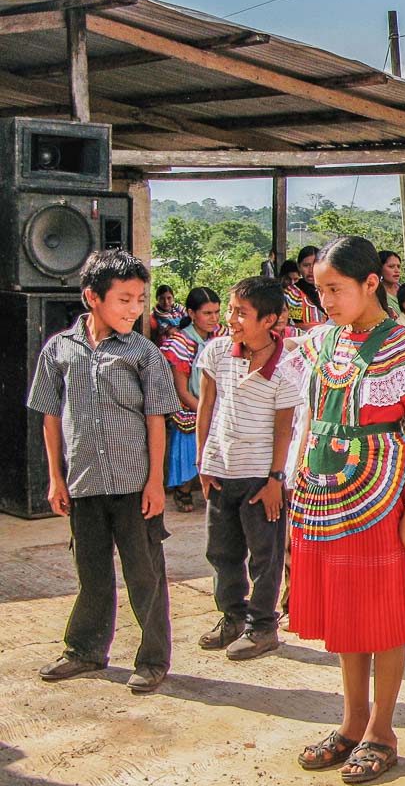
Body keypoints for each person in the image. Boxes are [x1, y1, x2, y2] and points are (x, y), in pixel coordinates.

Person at [287, 236, 405, 785]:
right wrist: (296, 483)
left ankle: (382, 730)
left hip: (383, 498)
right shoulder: (320, 342)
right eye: (320, 290)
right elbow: (310, 419)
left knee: (381, 617)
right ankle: (351, 722)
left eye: (336, 289)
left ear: (371, 284)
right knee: (345, 614)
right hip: (327, 493)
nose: (327, 300)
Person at [28, 250, 180, 692]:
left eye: (140, 299)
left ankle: (153, 659)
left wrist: (155, 483)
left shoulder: (144, 353)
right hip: (84, 484)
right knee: (91, 572)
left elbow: (157, 419)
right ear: (92, 297)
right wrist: (57, 478)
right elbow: (50, 415)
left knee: (144, 574)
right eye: (125, 299)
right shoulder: (60, 348)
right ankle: (85, 650)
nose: (135, 309)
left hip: (135, 487)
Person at [194, 276, 300, 661]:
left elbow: (284, 428)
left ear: (269, 319)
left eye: (242, 312)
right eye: (231, 309)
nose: (231, 318)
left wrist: (275, 480)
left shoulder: (287, 366)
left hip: (260, 478)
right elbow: (206, 407)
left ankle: (262, 626)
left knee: (265, 556)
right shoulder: (217, 352)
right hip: (221, 470)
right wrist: (202, 461)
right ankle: (232, 617)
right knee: (221, 551)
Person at [161, 287, 222, 512]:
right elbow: (182, 390)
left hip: (217, 403)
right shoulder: (180, 341)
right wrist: (206, 412)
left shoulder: (221, 336)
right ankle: (183, 488)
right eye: (207, 313)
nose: (213, 318)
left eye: (216, 312)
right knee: (189, 435)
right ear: (192, 313)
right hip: (190, 405)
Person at [379, 251, 403, 316]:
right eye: (391, 266)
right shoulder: (376, 294)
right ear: (380, 268)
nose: (397, 271)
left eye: (398, 266)